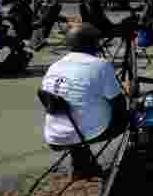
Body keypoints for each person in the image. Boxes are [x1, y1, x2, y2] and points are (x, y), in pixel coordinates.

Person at [40, 23, 129, 180]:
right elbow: (119, 103)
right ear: (94, 44)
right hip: (85, 132)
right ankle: (128, 167)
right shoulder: (100, 65)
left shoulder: (54, 65)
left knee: (79, 113)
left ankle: (82, 166)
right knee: (129, 118)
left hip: (54, 134)